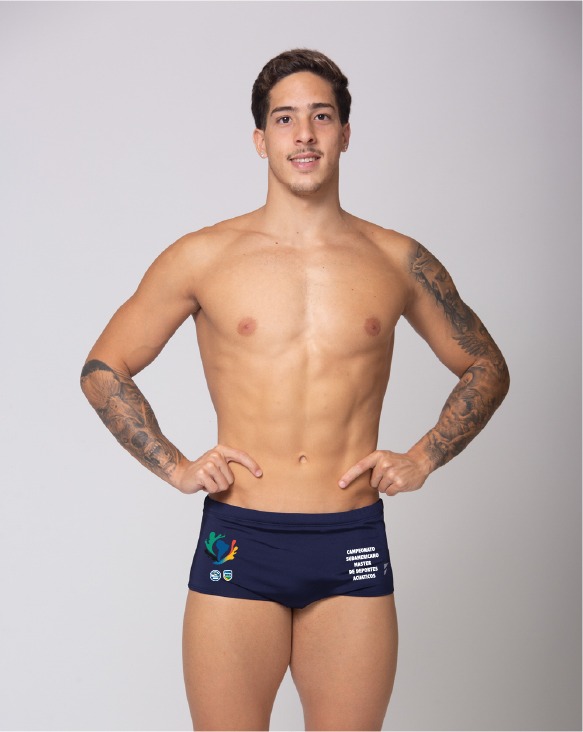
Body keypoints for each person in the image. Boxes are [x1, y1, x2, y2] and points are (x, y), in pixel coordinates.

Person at [80, 49, 509, 731]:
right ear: (260, 139)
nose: (303, 134)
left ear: (345, 133)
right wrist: (175, 466)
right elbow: (104, 367)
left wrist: (424, 456)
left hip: (350, 535)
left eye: (321, 116)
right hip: (239, 536)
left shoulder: (396, 258)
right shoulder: (203, 255)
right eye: (284, 119)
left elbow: (485, 364)